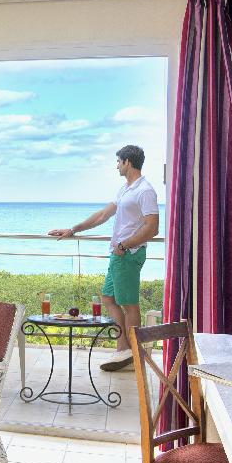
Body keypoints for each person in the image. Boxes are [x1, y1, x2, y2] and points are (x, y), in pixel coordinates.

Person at [48, 143, 160, 371]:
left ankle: (134, 355)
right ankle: (123, 349)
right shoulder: (125, 189)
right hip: (118, 254)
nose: (116, 166)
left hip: (128, 254)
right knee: (108, 298)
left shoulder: (145, 190)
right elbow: (102, 215)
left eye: (118, 161)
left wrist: (125, 245)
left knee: (130, 305)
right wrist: (73, 229)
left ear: (128, 162)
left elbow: (152, 227)